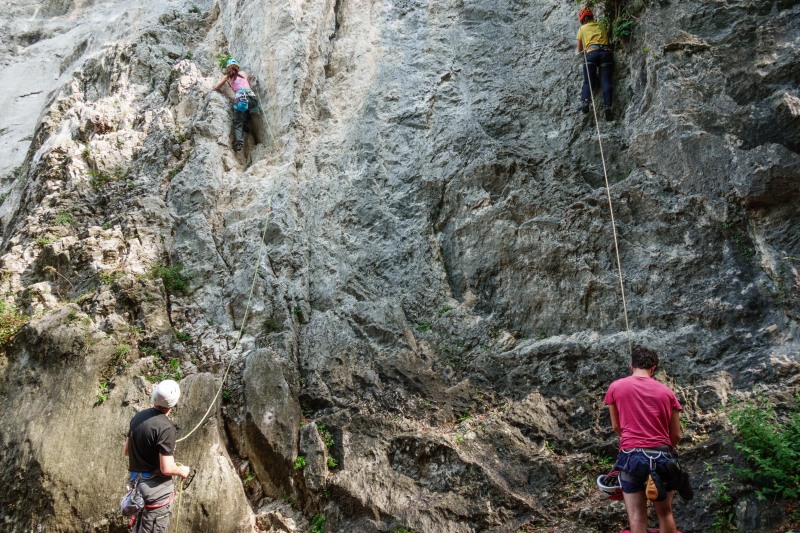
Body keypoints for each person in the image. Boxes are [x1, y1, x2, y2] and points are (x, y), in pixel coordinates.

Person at [604, 346, 682, 533]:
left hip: (631, 457)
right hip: (662, 456)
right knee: (665, 513)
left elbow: (617, 427)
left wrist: (633, 442)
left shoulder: (616, 387)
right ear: (653, 368)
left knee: (637, 516)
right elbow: (676, 435)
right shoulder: (667, 393)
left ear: (632, 365)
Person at [124, 379, 191, 533]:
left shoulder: (138, 417)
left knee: (138, 526)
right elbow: (166, 468)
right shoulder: (166, 428)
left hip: (136, 487)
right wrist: (181, 471)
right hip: (155, 491)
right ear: (173, 404)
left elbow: (126, 450)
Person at [576, 8, 615, 121]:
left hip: (591, 54)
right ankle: (607, 107)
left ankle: (585, 102)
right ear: (592, 16)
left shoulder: (582, 29)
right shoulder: (602, 25)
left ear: (582, 19)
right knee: (606, 81)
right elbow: (608, 40)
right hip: (605, 53)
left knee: (588, 81)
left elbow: (579, 49)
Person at [213, 58, 258, 152]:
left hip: (240, 100)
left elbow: (216, 87)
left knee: (238, 122)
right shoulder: (243, 73)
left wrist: (225, 77)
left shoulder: (228, 78)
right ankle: (246, 122)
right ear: (237, 67)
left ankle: (239, 143)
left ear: (227, 68)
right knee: (245, 109)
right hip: (252, 100)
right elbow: (248, 84)